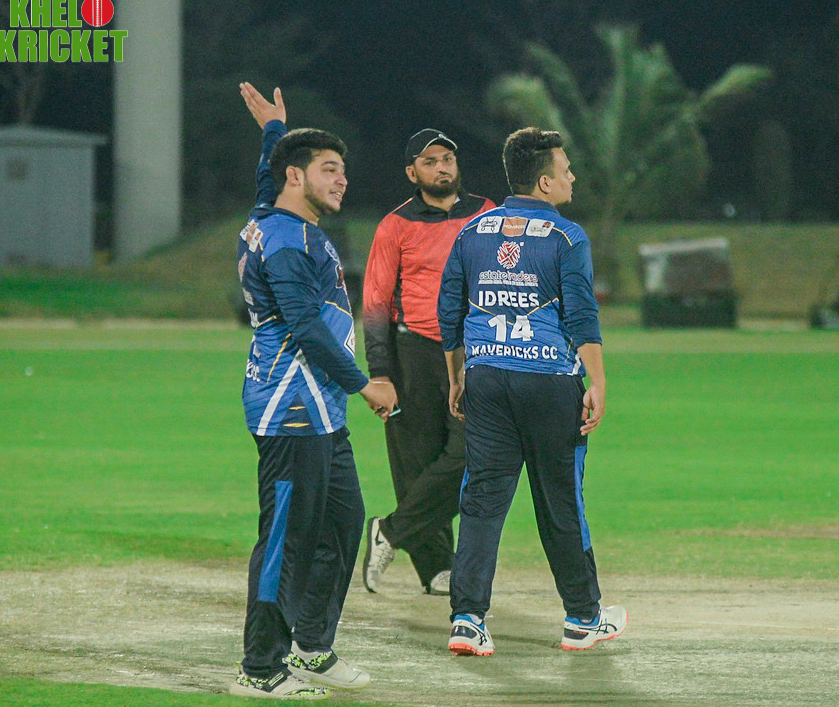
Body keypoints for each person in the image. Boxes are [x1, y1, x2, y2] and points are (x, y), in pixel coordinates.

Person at [231, 82, 398, 700]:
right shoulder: (284, 240)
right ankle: (260, 668)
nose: (342, 180)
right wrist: (364, 385)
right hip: (290, 406)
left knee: (342, 524)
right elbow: (302, 325)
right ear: (297, 178)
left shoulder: (272, 215)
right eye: (329, 169)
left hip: (319, 408)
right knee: (287, 540)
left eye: (342, 170)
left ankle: (311, 647)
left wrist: (275, 132)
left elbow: (267, 183)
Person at [437, 127, 627, 656]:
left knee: (481, 501)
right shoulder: (566, 237)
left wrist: (457, 376)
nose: (572, 178)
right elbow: (582, 314)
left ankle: (467, 620)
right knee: (561, 499)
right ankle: (583, 618)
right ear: (544, 182)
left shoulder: (472, 231)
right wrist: (598, 380)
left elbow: (449, 310)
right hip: (549, 384)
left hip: (486, 380)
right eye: (565, 171)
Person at [360, 129, 494, 596]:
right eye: (430, 161)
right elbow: (375, 304)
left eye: (447, 158)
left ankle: (390, 532)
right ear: (412, 172)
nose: (442, 168)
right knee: (415, 463)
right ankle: (437, 568)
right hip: (413, 354)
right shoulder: (395, 225)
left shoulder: (486, 214)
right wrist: (380, 373)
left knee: (473, 455)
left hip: (475, 352)